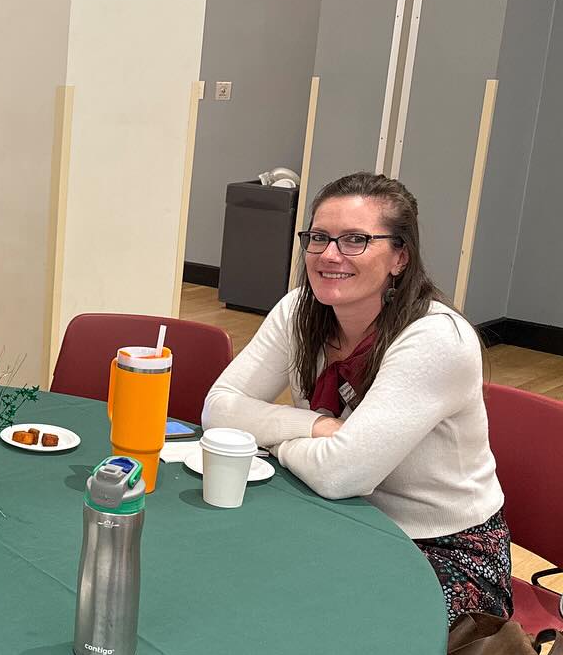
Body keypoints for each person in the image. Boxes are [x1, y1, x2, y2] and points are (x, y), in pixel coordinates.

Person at [202, 172, 508, 626]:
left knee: (314, 618)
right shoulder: (297, 312)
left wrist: (277, 439)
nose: (329, 255)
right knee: (230, 574)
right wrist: (317, 428)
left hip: (438, 547)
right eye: (319, 238)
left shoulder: (434, 337)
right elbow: (218, 408)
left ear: (400, 257)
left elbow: (343, 473)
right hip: (335, 517)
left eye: (355, 240)